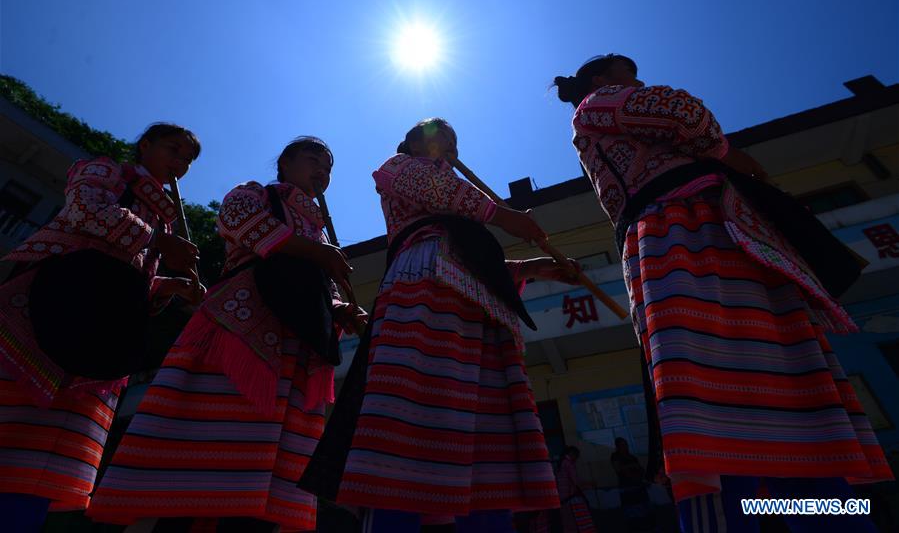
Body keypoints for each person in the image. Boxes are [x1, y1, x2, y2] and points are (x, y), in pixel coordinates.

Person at [554, 54, 893, 532]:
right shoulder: (596, 105)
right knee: (716, 389)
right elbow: (682, 113)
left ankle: (813, 510)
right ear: (601, 79)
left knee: (774, 391)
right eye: (628, 73)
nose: (638, 80)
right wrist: (724, 153)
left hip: (714, 231)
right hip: (684, 234)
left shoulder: (605, 111)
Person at [301, 118, 580, 533]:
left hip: (476, 302)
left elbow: (472, 259)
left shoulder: (462, 206)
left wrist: (539, 267)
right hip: (425, 284)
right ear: (411, 143)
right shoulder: (399, 169)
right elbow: (436, 196)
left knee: (484, 423)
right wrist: (502, 215)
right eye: (436, 138)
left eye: (452, 142)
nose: (446, 146)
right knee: (412, 412)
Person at [87, 137, 364, 532]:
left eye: (329, 168)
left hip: (297, 344)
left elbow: (324, 290)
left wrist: (342, 310)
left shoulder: (320, 234)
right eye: (313, 160)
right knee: (208, 446)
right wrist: (313, 251)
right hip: (241, 325)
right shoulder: (257, 194)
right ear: (284, 163)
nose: (323, 171)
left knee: (266, 465)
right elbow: (236, 219)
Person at [0, 122, 202, 532]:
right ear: (144, 145)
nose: (179, 162)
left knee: (50, 449)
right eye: (173, 149)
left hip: (101, 328)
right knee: (11, 419)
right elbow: (84, 208)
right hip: (49, 304)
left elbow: (133, 279)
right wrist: (160, 243)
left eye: (187, 159)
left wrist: (173, 287)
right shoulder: (110, 171)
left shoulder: (162, 219)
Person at [557, 446, 597, 533]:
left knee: (568, 525)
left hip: (563, 499)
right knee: (580, 524)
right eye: (577, 456)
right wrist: (589, 485)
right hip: (571, 499)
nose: (577, 459)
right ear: (572, 454)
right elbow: (576, 482)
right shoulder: (569, 464)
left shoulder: (561, 464)